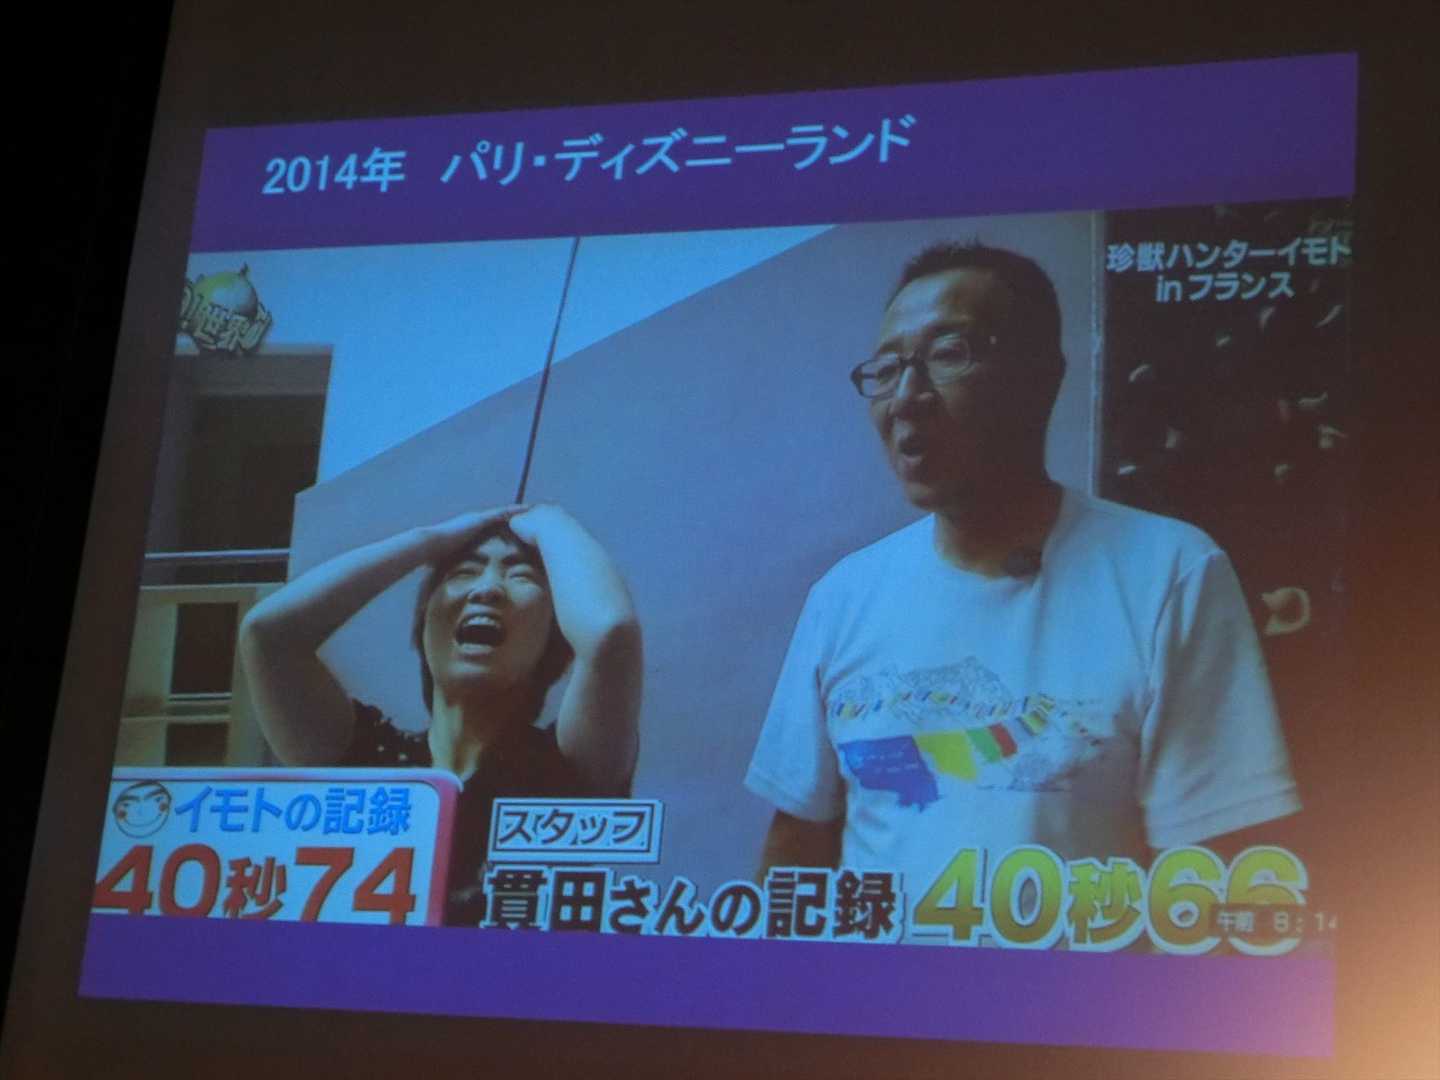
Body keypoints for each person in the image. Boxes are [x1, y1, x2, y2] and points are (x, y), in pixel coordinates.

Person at [744, 242, 1299, 930]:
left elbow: (1217, 872)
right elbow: (797, 848)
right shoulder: (844, 597)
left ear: (1042, 377)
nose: (908, 397)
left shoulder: (1169, 573)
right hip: (875, 998)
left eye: (948, 353)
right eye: (887, 369)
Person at [239, 503, 641, 925]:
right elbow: (268, 636)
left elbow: (610, 633)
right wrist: (426, 541)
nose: (487, 590)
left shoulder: (569, 767)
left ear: (554, 637)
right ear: (425, 623)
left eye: (520, 576)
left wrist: (547, 519)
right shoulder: (367, 763)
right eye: (464, 573)